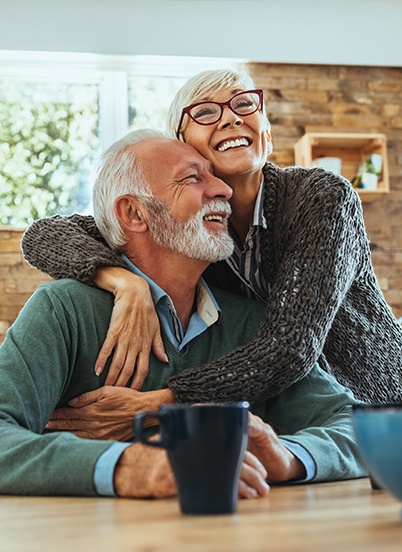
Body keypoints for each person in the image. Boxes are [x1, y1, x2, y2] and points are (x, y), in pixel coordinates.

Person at [1, 130, 365, 498]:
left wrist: (288, 457)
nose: (223, 190)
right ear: (134, 213)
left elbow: (358, 426)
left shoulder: (251, 322)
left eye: (215, 176)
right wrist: (128, 466)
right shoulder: (63, 311)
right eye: (193, 177)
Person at [21, 68, 402, 407]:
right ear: (182, 145)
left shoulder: (321, 197)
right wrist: (124, 282)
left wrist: (163, 402)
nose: (232, 118)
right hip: (283, 410)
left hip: (372, 404)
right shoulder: (190, 230)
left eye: (244, 105)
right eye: (205, 112)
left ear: (266, 133)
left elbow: (290, 347)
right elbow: (45, 234)